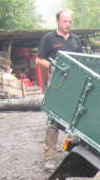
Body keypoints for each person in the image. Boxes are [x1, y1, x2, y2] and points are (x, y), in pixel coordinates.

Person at [36, 8, 83, 167]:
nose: (68, 24)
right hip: (56, 86)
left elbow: (82, 62)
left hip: (73, 86)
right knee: (53, 120)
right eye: (65, 21)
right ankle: (49, 158)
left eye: (70, 21)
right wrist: (51, 65)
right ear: (58, 21)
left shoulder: (76, 40)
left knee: (75, 120)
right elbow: (39, 60)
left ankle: (75, 156)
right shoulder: (49, 38)